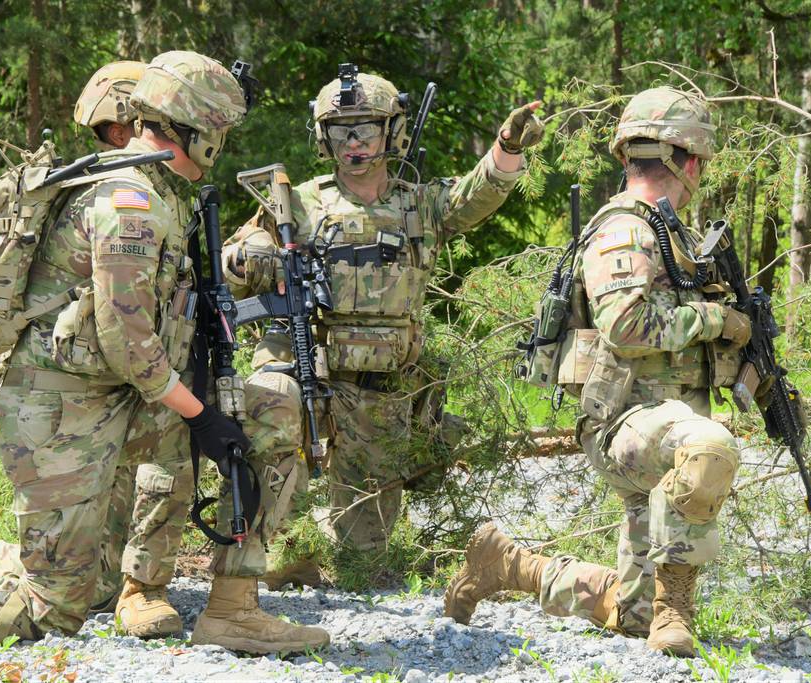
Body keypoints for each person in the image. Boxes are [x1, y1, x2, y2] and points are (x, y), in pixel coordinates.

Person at [0, 51, 262, 645]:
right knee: (51, 613)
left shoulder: (158, 191)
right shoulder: (130, 203)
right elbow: (128, 340)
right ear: (197, 133)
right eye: (218, 132)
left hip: (106, 399)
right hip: (58, 412)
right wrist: (203, 417)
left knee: (98, 584)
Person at [443, 86, 753, 658]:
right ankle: (674, 611)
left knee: (628, 615)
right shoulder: (626, 228)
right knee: (713, 445)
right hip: (627, 425)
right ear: (687, 159)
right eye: (702, 161)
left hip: (665, 436)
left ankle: (506, 563)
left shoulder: (672, 229)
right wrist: (717, 320)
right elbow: (627, 326)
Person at [218, 65, 541, 586]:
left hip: (382, 393)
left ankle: (313, 562)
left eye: (366, 128)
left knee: (368, 567)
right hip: (310, 376)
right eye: (340, 131)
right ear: (322, 137)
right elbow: (240, 256)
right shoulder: (297, 203)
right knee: (270, 438)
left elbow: (477, 196)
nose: (354, 143)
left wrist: (507, 146)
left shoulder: (420, 203)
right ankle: (236, 579)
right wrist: (254, 260)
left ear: (391, 132)